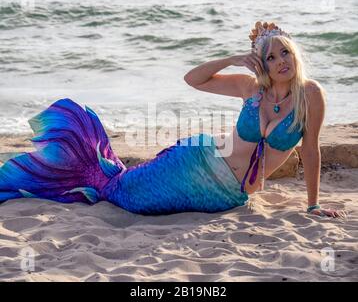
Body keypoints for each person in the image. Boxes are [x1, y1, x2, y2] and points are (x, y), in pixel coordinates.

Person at [0, 21, 345, 218]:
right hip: (198, 157)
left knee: (132, 198)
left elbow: (311, 151)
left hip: (227, 194)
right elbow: (193, 79)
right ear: (262, 65)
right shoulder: (250, 86)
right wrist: (233, 58)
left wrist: (313, 205)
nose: (281, 60)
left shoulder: (309, 94)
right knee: (122, 195)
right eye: (271, 56)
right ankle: (59, 161)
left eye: (286, 52)